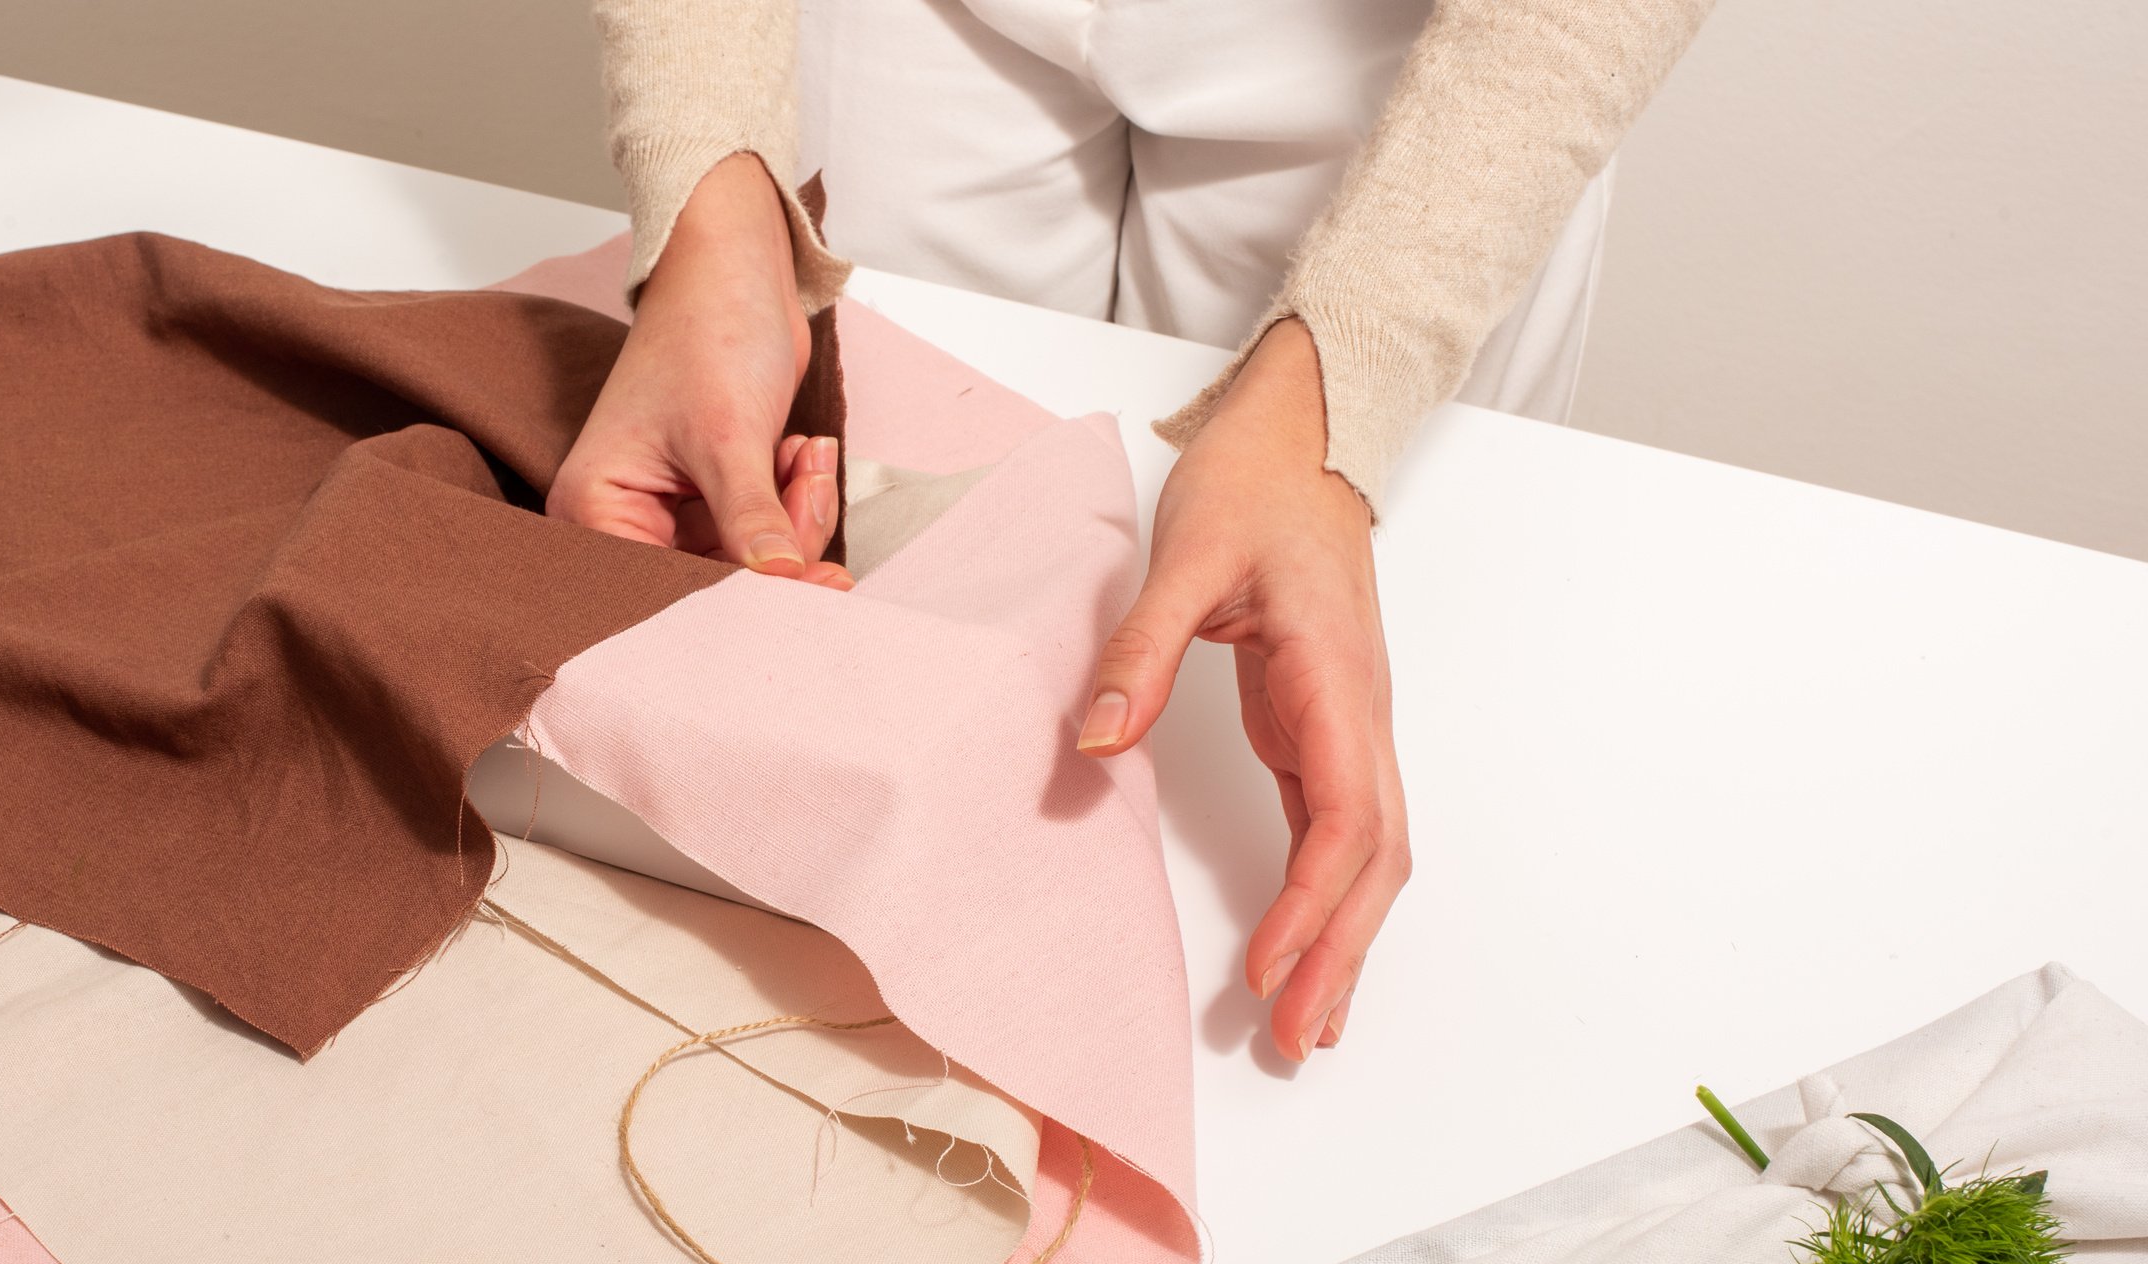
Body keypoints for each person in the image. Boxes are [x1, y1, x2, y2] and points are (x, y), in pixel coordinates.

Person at [550, 0, 1713, 1060]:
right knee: (876, 548)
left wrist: (1336, 405)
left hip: (1419, 43)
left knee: (1293, 703)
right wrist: (713, 204)